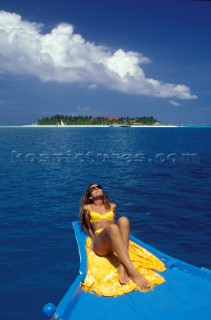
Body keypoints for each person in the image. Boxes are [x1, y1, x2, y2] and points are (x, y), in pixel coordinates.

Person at [80, 183, 151, 290]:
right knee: (112, 227)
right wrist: (93, 240)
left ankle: (122, 266)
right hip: (100, 242)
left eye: (98, 187)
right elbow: (89, 227)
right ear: (90, 196)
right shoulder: (87, 208)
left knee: (123, 220)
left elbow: (114, 222)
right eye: (92, 189)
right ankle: (132, 271)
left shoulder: (112, 206)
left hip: (112, 239)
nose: (96, 189)